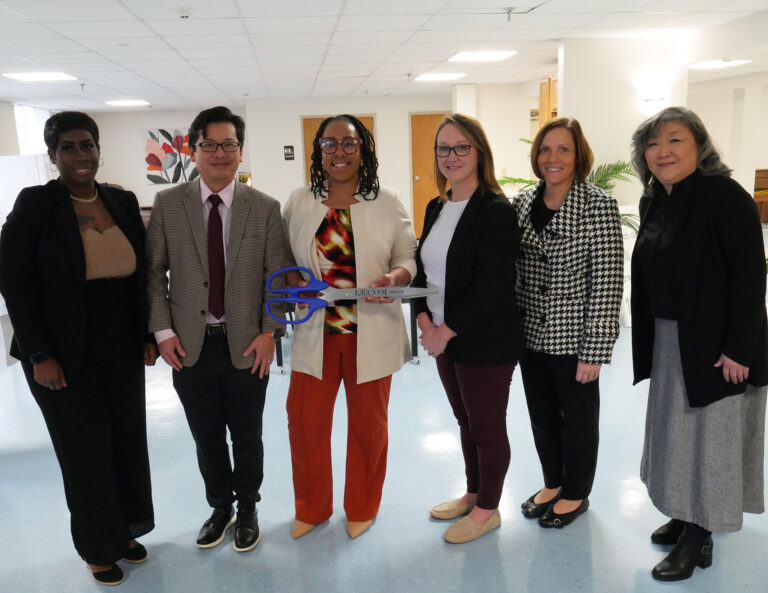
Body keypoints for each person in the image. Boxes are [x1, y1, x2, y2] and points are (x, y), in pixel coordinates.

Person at [0, 111, 156, 586]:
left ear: (98, 148)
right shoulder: (36, 205)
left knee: (127, 442)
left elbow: (142, 275)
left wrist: (147, 334)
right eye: (67, 147)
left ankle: (125, 530)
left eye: (86, 145)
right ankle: (96, 547)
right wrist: (37, 353)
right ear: (53, 156)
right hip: (60, 352)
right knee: (85, 452)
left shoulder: (122, 201)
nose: (80, 155)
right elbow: (15, 284)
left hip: (120, 345)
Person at [630, 106, 768, 581]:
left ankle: (700, 534)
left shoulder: (725, 197)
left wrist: (739, 348)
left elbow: (751, 278)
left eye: (674, 140)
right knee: (678, 434)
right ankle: (686, 512)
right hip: (672, 340)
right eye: (652, 143)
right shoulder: (656, 200)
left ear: (700, 147)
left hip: (717, 343)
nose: (662, 151)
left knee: (711, 440)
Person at [146, 106, 290, 553]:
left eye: (229, 144)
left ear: (240, 151)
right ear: (193, 150)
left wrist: (271, 331)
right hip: (188, 346)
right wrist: (162, 332)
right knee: (206, 436)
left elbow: (278, 274)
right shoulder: (169, 205)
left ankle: (248, 508)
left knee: (247, 435)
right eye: (209, 144)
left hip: (247, 343)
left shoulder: (263, 208)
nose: (220, 153)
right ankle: (220, 508)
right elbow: (153, 273)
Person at [282, 114, 416, 540]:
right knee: (305, 426)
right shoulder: (299, 201)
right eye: (329, 144)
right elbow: (283, 262)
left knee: (368, 428)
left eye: (349, 143)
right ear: (318, 150)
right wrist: (292, 278)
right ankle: (312, 507)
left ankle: (361, 506)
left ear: (364, 149)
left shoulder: (388, 201)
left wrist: (395, 278)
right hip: (314, 335)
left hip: (369, 334)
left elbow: (407, 259)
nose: (338, 152)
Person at [412, 113, 524, 543]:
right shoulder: (436, 206)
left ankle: (488, 509)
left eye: (462, 147)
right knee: (465, 420)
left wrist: (446, 330)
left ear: (479, 152)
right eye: (444, 148)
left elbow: (492, 285)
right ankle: (474, 492)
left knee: (487, 426)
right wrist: (424, 317)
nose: (452, 156)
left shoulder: (495, 210)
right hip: (444, 336)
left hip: (484, 340)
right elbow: (425, 272)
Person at [513, 117, 623, 529]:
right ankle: (552, 482)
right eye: (545, 149)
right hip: (529, 335)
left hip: (574, 336)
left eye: (563, 150)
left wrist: (594, 350)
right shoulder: (522, 202)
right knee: (541, 415)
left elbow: (608, 281)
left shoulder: (597, 204)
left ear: (578, 157)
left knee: (577, 420)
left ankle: (576, 492)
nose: (552, 158)